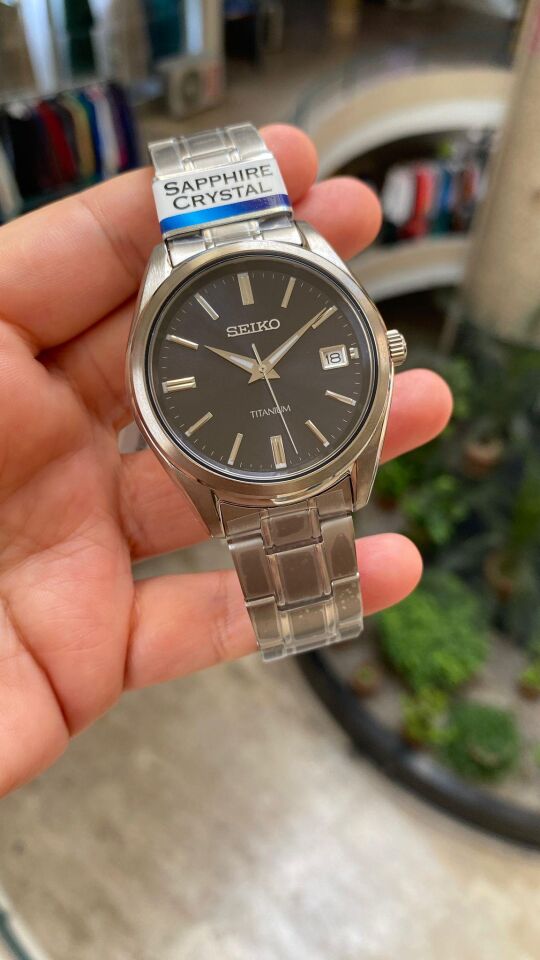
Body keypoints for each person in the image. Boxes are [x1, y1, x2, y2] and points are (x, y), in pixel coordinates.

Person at [0, 125, 452, 797]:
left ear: (383, 350)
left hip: (311, 452)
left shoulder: (318, 275)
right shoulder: (170, 357)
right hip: (234, 467)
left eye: (269, 361)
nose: (264, 369)